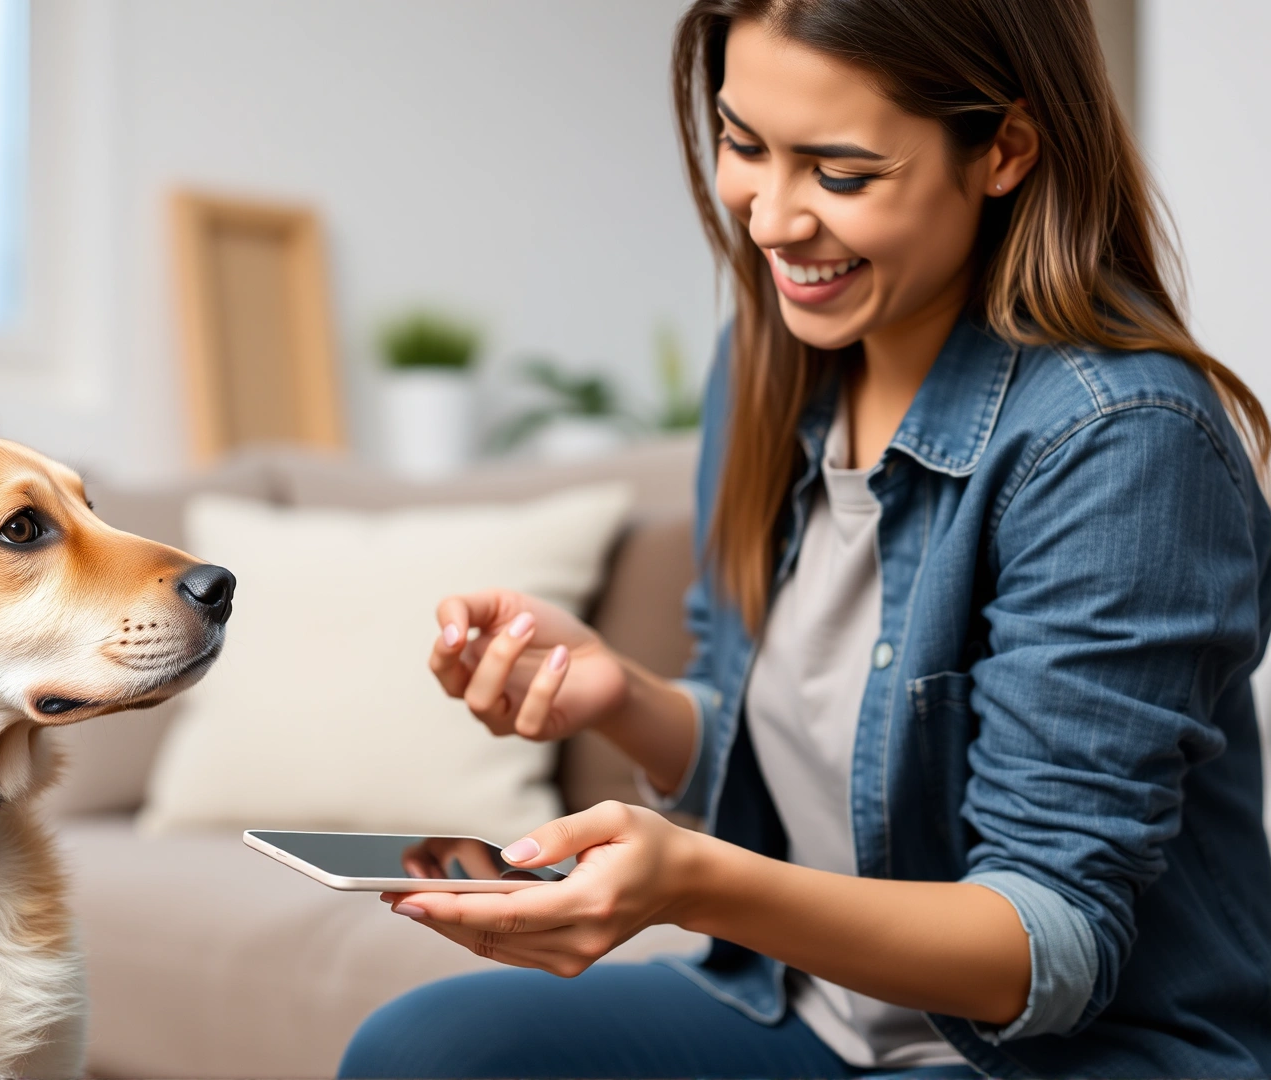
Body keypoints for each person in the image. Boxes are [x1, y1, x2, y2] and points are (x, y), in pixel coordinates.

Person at [337, 1, 1271, 1077]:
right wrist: (621, 698)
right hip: (813, 1015)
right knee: (426, 1051)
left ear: (1004, 149)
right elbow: (807, 742)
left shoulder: (1122, 440)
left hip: (1064, 1058)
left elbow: (1046, 947)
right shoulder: (769, 359)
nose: (771, 218)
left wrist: (693, 882)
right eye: (742, 145)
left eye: (839, 172)